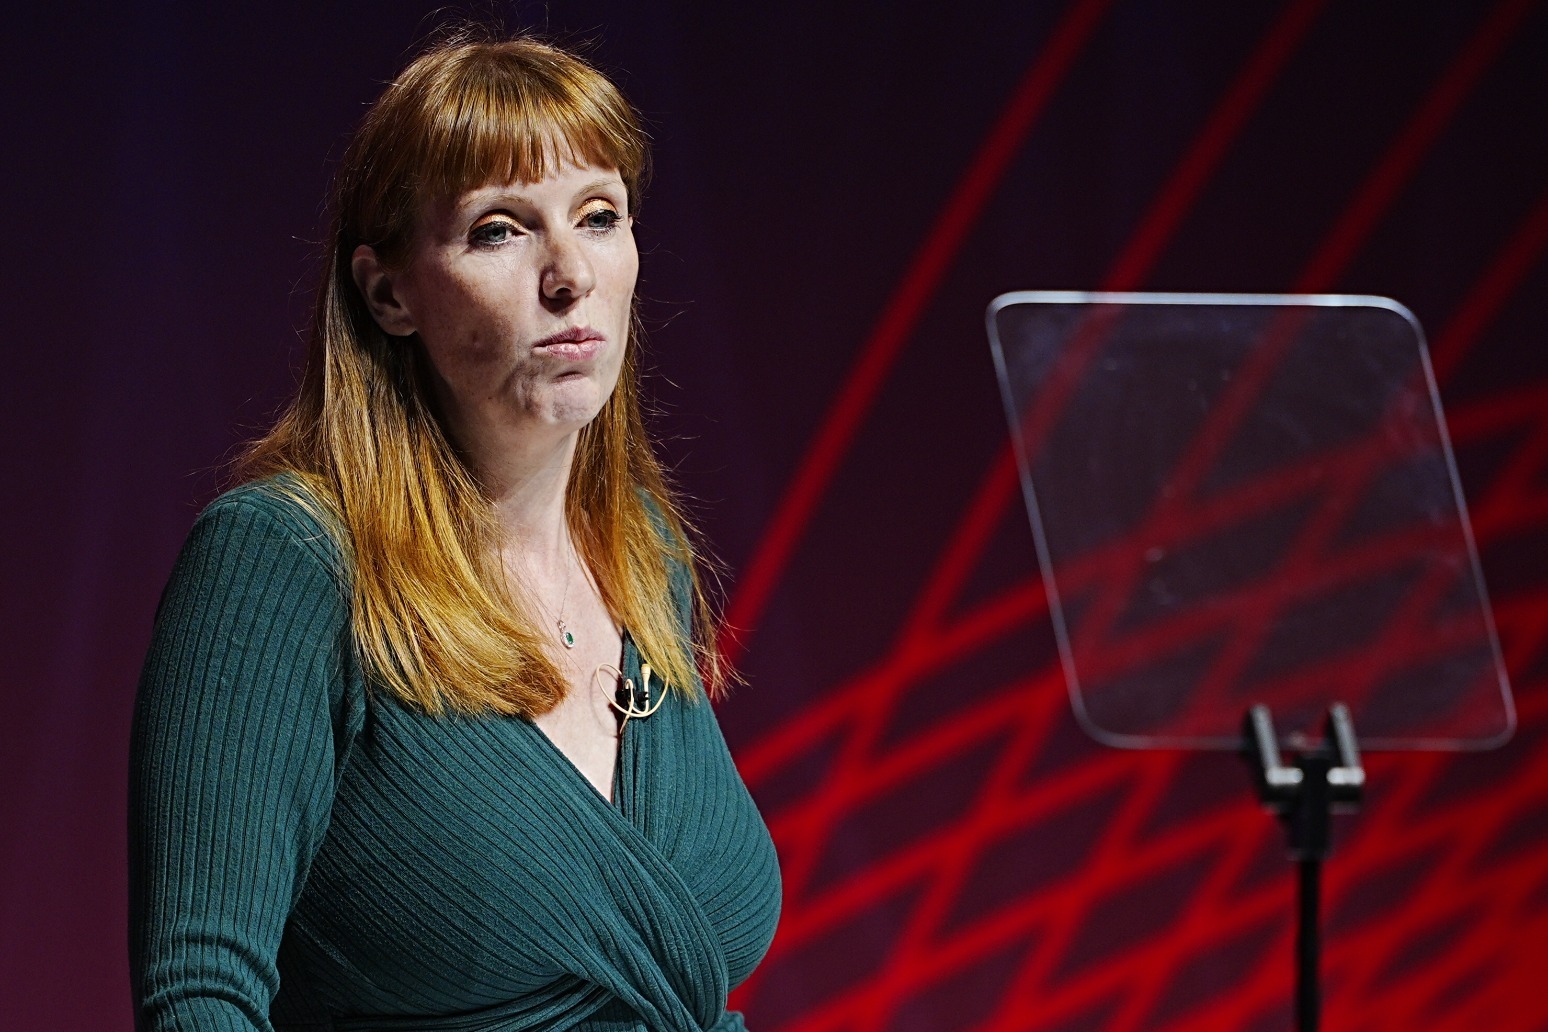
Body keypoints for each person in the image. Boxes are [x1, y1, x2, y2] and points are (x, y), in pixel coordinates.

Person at [129, 33, 781, 1032]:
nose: (570, 275)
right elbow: (199, 999)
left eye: (599, 216)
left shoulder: (641, 555)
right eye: (499, 231)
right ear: (388, 293)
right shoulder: (286, 562)